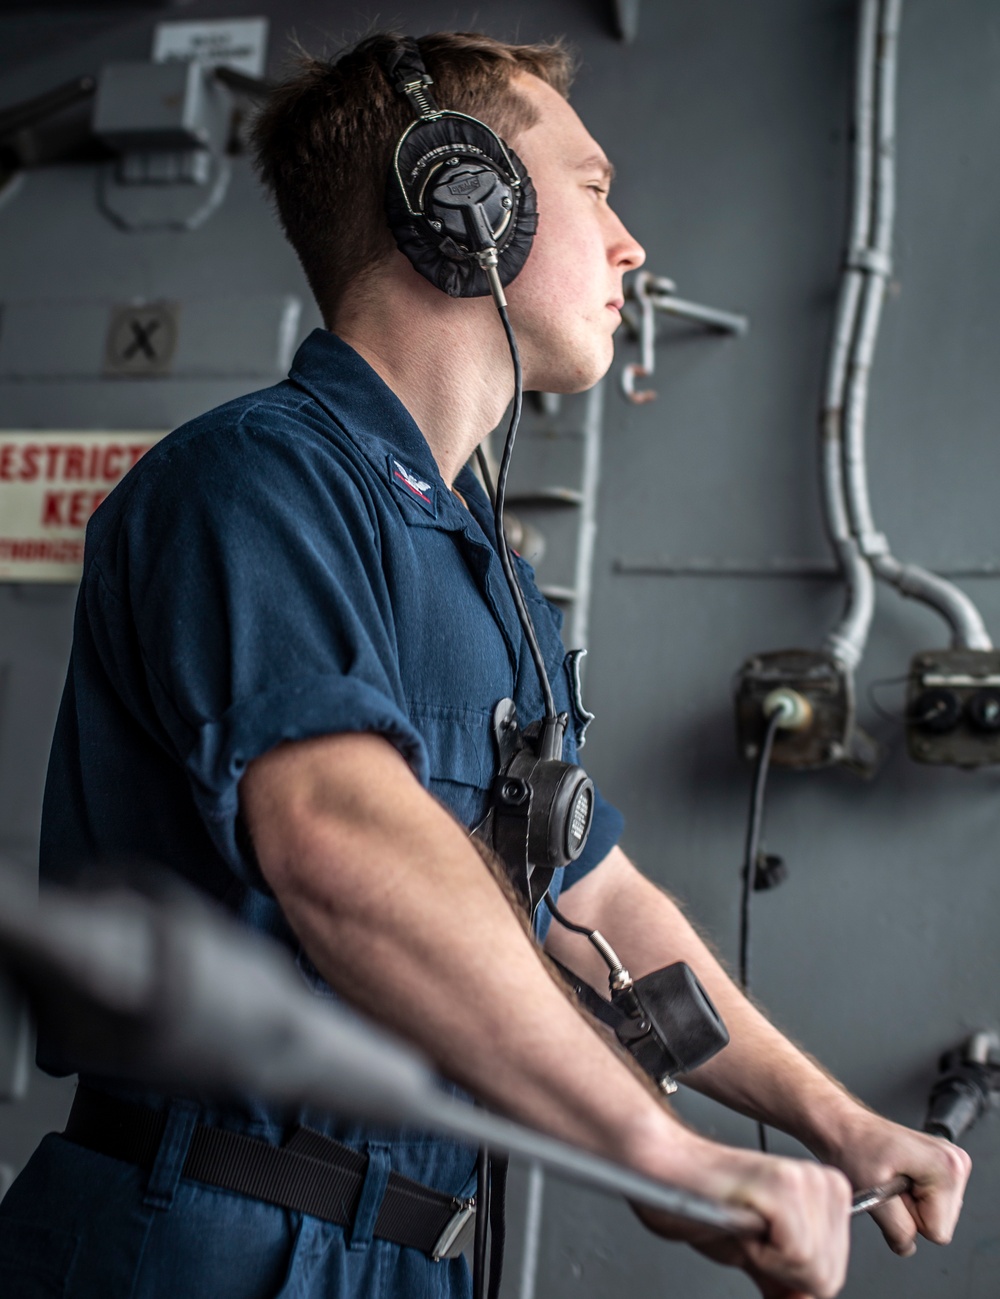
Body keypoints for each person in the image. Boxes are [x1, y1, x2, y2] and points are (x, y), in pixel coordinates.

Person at [0, 30, 969, 1299]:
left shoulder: (479, 558)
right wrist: (658, 1154)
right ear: (464, 201)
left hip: (408, 1248)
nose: (630, 243)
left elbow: (589, 896)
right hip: (219, 1235)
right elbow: (343, 841)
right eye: (592, 188)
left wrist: (826, 1118)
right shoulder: (256, 484)